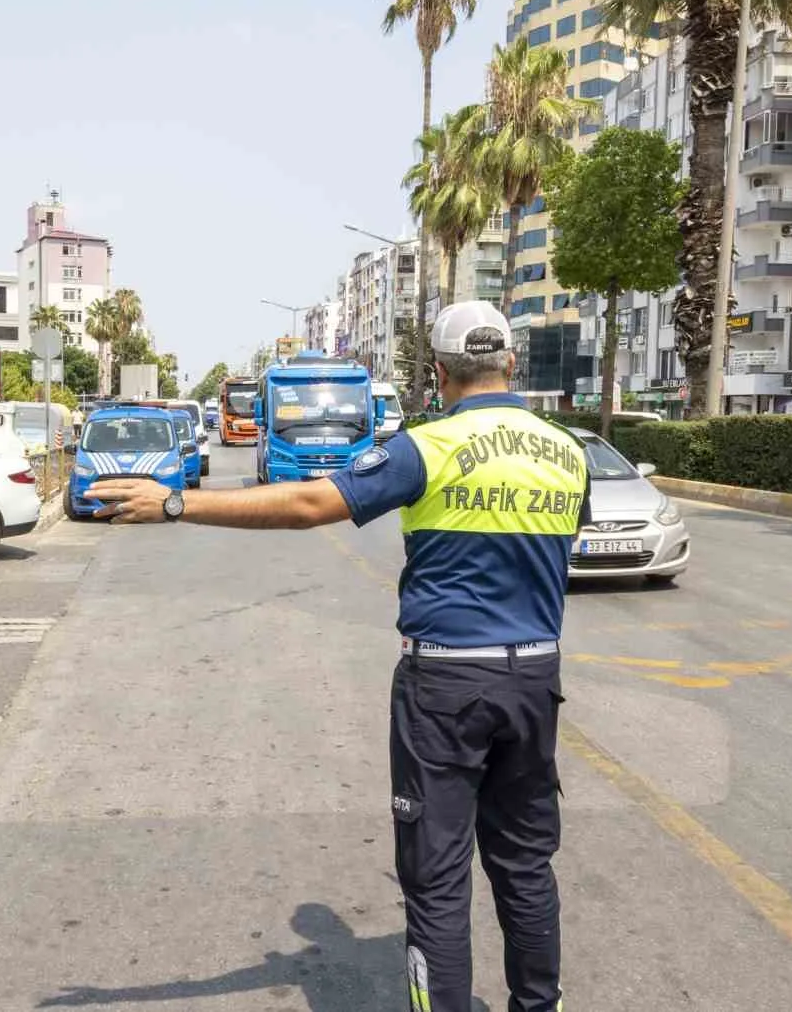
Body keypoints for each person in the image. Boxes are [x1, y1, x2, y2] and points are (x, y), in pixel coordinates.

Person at [90, 301, 590, 1012]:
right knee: (526, 867)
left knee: (439, 880)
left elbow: (305, 506)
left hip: (446, 683)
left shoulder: (428, 447)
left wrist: (177, 505)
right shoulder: (566, 451)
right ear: (511, 363)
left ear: (440, 373)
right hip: (536, 677)